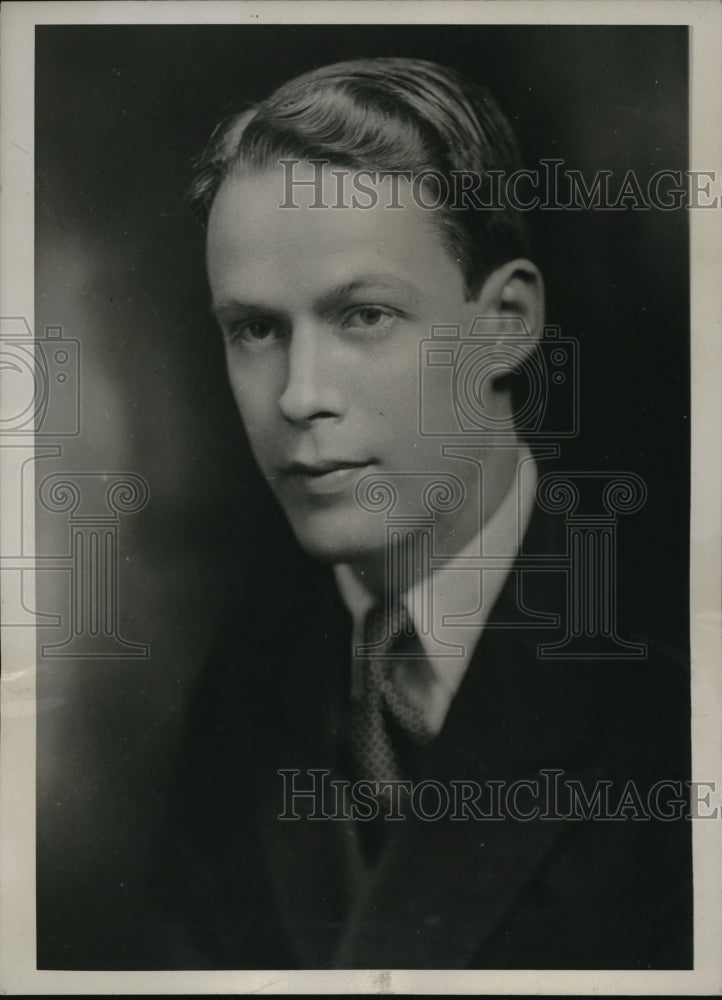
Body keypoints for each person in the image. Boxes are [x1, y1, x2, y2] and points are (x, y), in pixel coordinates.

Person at [157, 58, 692, 970]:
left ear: (506, 323)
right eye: (255, 328)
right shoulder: (240, 695)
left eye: (363, 315)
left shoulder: (677, 673)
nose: (300, 396)